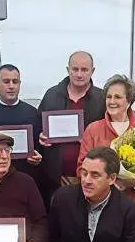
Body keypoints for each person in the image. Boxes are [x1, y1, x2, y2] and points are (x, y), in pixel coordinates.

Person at [77, 74, 135, 214]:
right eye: (109, 97)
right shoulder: (93, 129)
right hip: (99, 204)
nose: (112, 101)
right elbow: (80, 168)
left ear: (129, 101)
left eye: (118, 97)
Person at [38, 51, 105, 191]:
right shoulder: (51, 95)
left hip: (92, 177)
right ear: (68, 70)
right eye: (75, 69)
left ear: (92, 71)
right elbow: (38, 125)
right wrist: (40, 136)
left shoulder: (102, 99)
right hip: (55, 178)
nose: (79, 74)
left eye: (84, 70)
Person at [0, 64, 44, 195]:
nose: (11, 86)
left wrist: (38, 158)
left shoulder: (32, 113)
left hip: (25, 180)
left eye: (15, 81)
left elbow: (39, 146)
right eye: (6, 81)